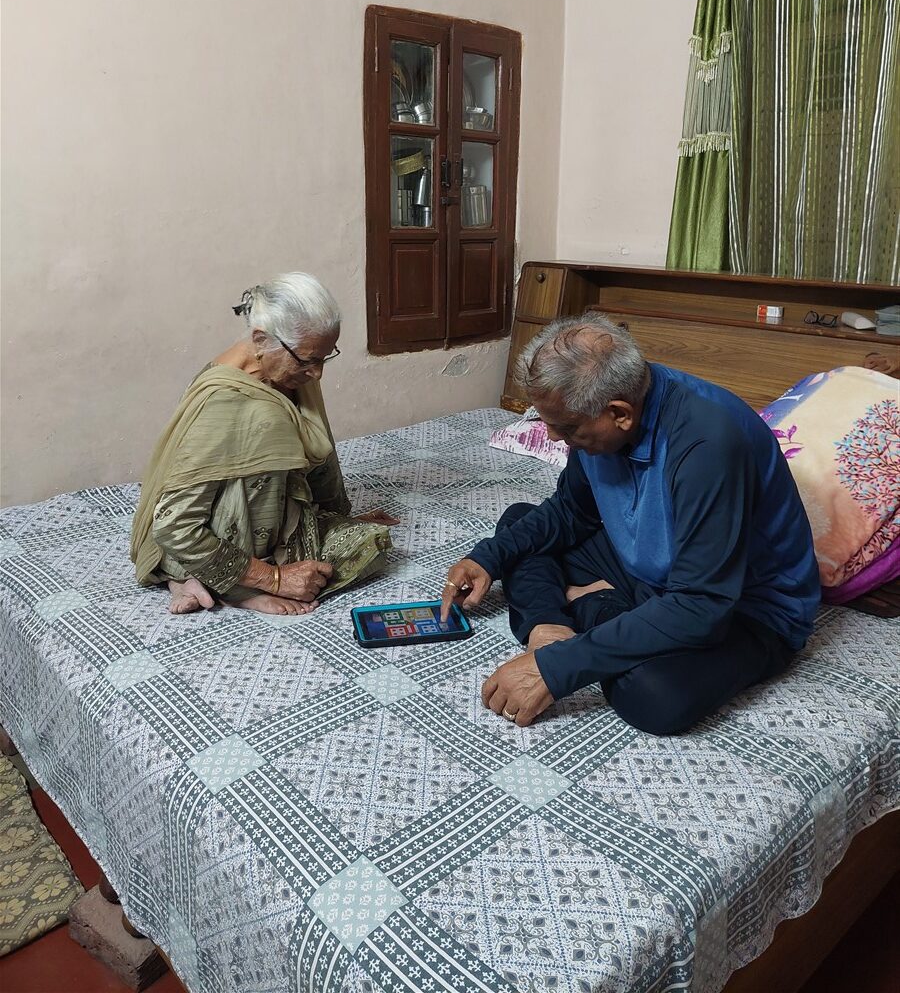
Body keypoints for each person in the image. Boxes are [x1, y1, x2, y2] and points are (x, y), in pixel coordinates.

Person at [442, 313, 820, 735]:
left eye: (565, 428)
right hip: (654, 569)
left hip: (742, 606)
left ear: (619, 413)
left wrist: (556, 668)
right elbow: (572, 511)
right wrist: (488, 558)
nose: (552, 438)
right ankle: (553, 625)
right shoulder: (607, 408)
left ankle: (593, 609)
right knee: (520, 526)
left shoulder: (706, 443)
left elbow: (702, 605)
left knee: (654, 695)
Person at [131, 273, 397, 615]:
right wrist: (273, 579)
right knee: (339, 562)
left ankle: (202, 581)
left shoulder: (289, 372)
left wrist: (339, 519)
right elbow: (174, 525)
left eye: (324, 358)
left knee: (368, 543)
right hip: (217, 536)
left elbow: (319, 462)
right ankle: (230, 585)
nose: (317, 373)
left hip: (268, 521)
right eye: (308, 360)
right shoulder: (224, 401)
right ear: (260, 339)